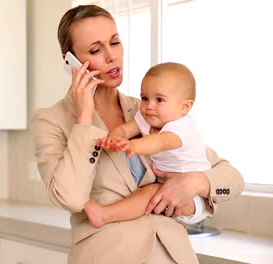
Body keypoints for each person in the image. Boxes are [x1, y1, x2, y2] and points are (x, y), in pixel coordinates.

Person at [32, 4, 244, 264]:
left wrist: (194, 183)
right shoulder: (51, 121)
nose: (112, 57)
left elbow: (231, 180)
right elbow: (72, 198)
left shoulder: (150, 109)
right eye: (96, 50)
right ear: (70, 61)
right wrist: (84, 120)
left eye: (115, 42)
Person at [84, 62, 210, 229]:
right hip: (168, 185)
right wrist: (113, 140)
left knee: (151, 192)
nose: (149, 106)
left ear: (184, 107)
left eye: (159, 100)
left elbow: (160, 142)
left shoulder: (181, 126)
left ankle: (104, 215)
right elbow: (125, 129)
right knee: (152, 191)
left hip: (193, 197)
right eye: (145, 98)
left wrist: (132, 146)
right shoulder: (147, 117)